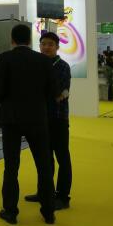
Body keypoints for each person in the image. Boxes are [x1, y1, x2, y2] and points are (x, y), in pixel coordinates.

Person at [0, 24, 58, 225]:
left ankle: (10, 211)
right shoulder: (44, 61)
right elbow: (53, 91)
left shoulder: (3, 59)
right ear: (30, 40)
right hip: (38, 118)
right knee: (44, 165)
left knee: (11, 167)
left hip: (11, 119)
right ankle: (48, 212)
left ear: (12, 40)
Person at [25, 32, 72, 210]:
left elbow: (60, 93)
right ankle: (44, 192)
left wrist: (40, 94)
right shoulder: (36, 65)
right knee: (44, 159)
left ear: (57, 47)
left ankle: (63, 196)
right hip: (40, 119)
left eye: (50, 44)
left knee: (62, 158)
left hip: (58, 119)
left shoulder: (63, 67)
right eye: (43, 44)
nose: (46, 47)